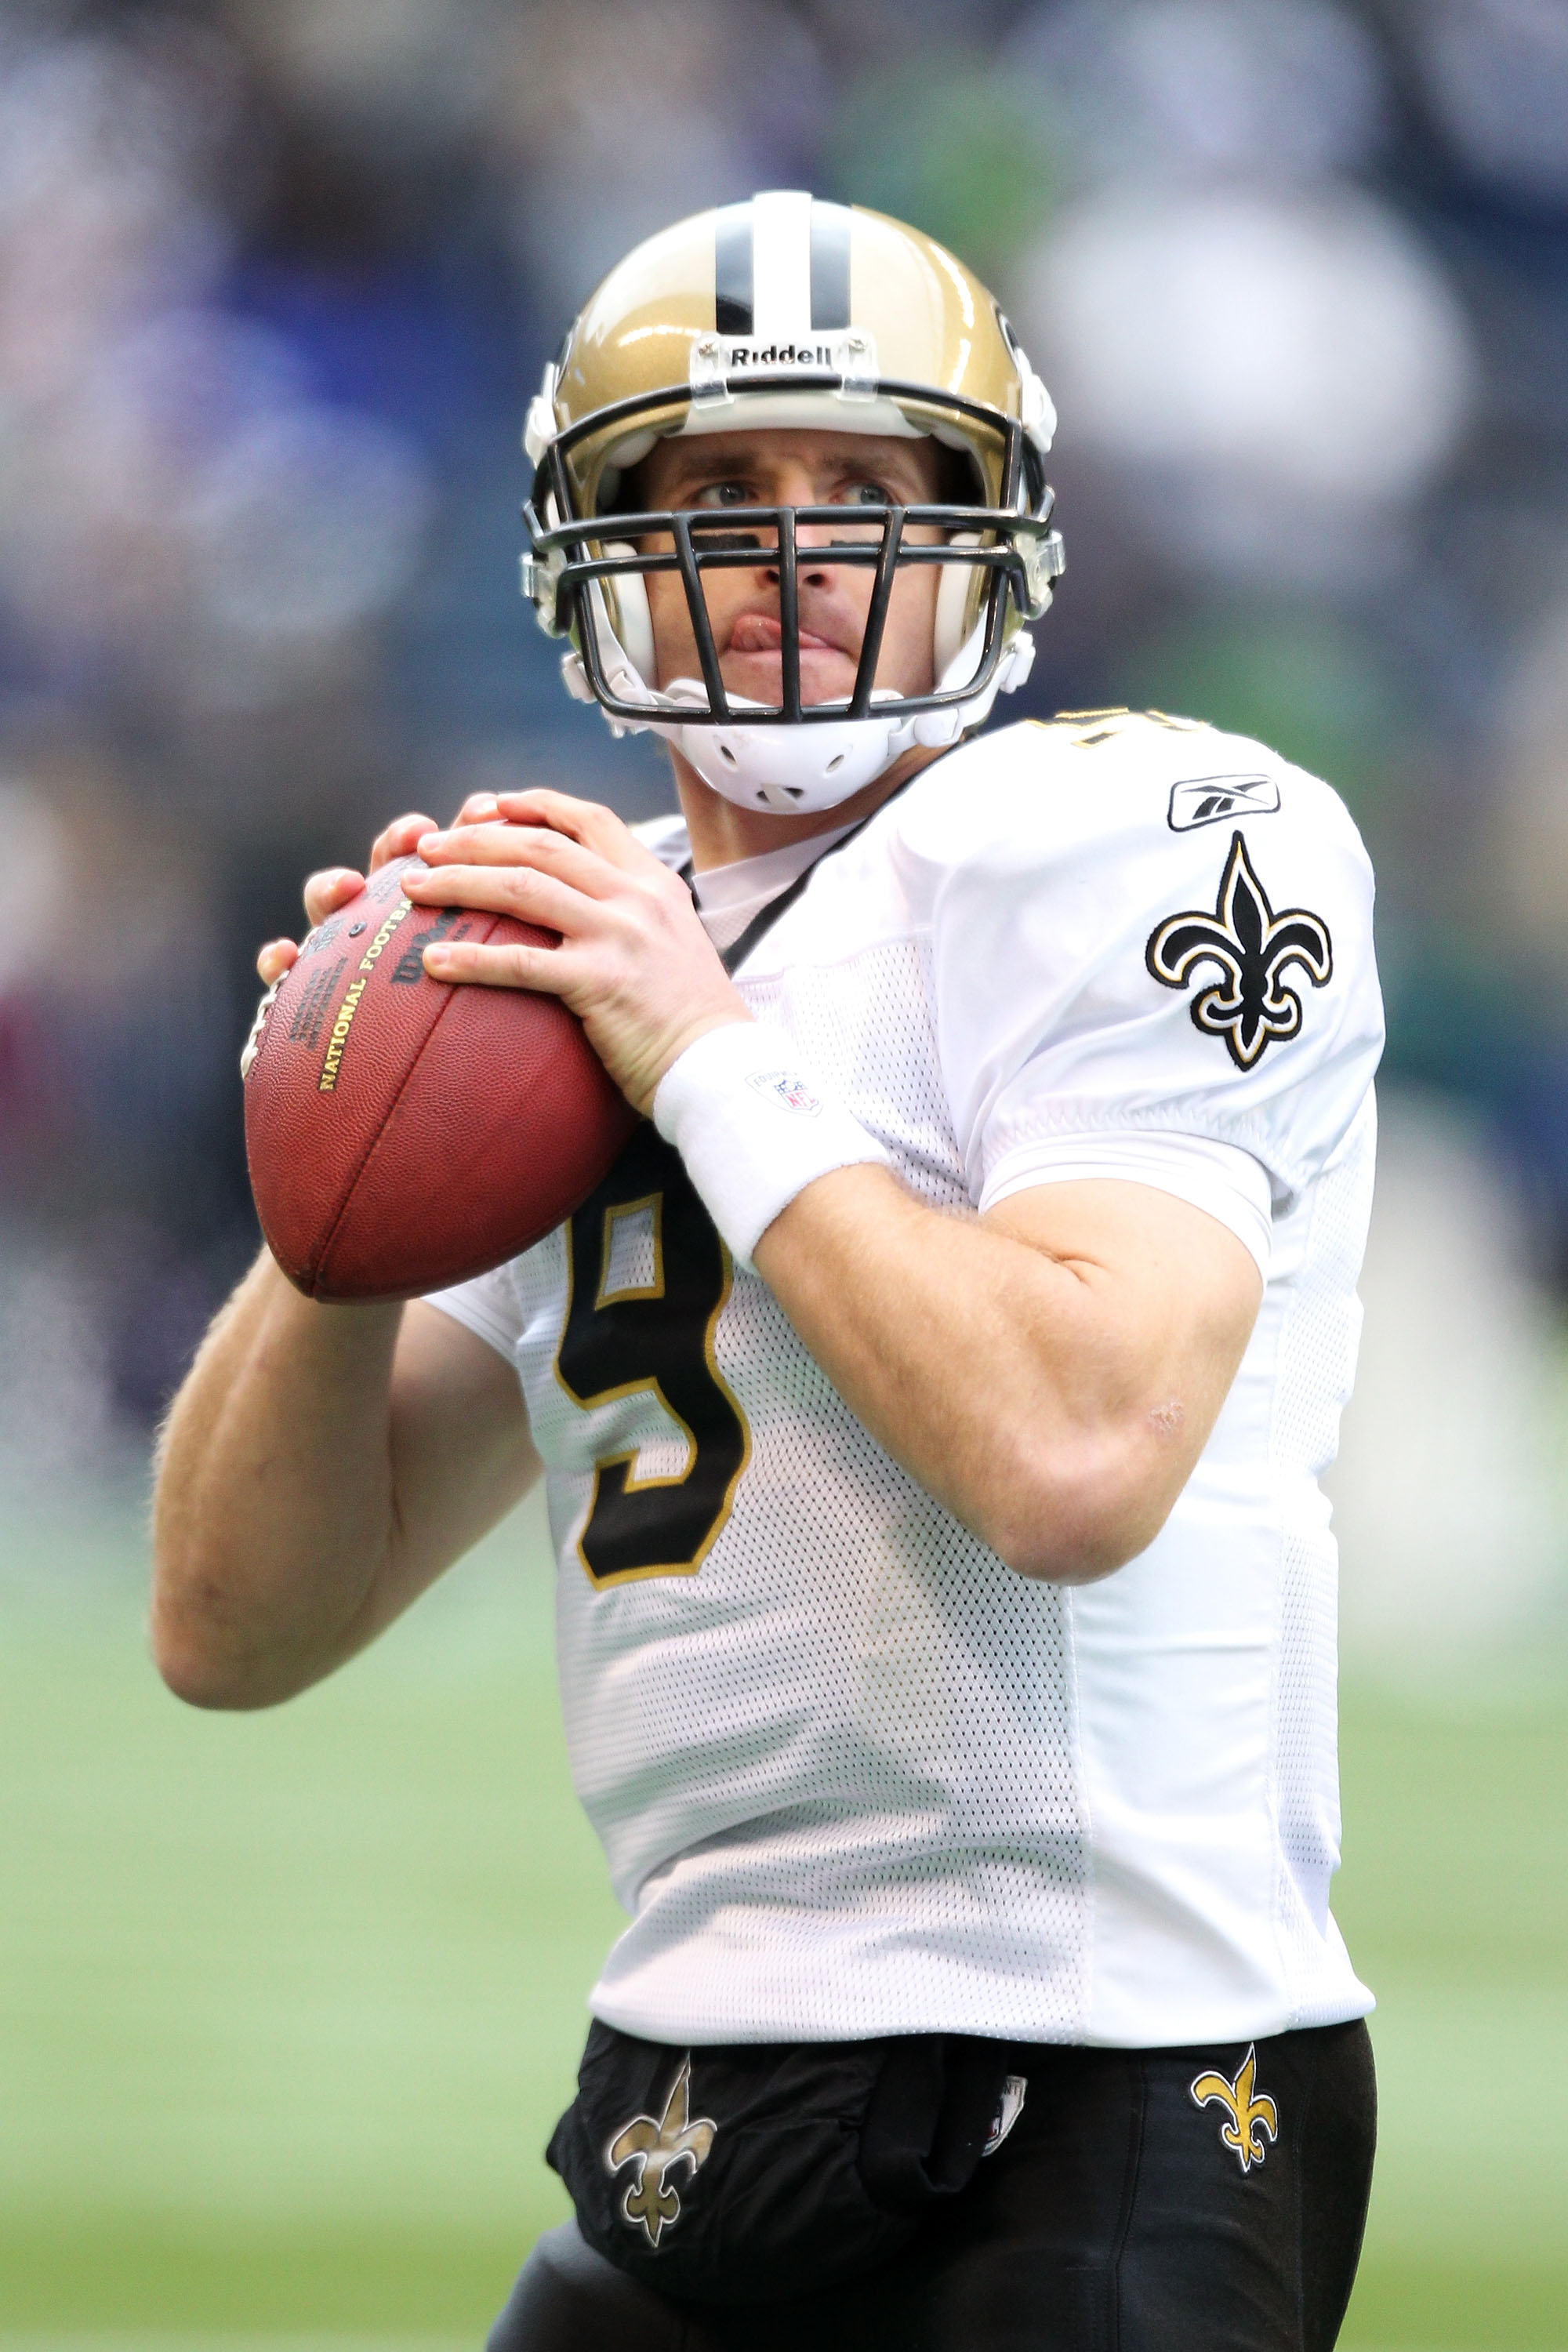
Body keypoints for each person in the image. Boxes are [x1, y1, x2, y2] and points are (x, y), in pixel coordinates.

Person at [152, 194, 1383, 2350]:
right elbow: (236, 1628)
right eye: (719, 487)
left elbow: (1074, 1460)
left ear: (987, 533)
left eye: (866, 485)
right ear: (590, 548)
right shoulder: (573, 953)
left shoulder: (1139, 836)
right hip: (683, 2085)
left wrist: (704, 1054)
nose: (799, 544)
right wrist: (336, 1205)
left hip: (1100, 2078)